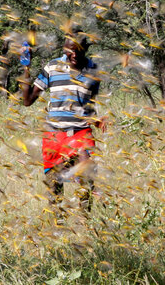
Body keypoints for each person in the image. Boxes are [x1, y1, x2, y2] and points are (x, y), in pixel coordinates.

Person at [20, 28, 104, 224]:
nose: (73, 55)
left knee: (87, 175)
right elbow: (27, 100)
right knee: (54, 183)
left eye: (77, 51)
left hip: (81, 131)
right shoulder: (52, 67)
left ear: (85, 49)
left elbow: (89, 105)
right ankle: (59, 223)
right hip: (54, 134)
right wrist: (26, 67)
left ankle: (86, 221)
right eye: (69, 51)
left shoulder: (93, 70)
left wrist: (97, 119)